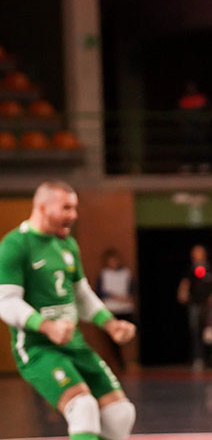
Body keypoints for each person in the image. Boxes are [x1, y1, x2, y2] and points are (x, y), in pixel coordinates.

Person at [0, 181, 137, 440]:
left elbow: (81, 294)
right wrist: (46, 326)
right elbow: (5, 301)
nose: (73, 215)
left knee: (120, 414)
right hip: (38, 348)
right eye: (66, 208)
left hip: (75, 345)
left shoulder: (67, 245)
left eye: (74, 208)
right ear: (42, 207)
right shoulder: (15, 245)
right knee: (83, 407)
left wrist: (111, 324)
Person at [176, 244, 212, 369]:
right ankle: (198, 359)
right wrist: (182, 293)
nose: (197, 255)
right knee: (195, 331)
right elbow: (184, 284)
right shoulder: (190, 270)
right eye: (195, 253)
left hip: (210, 305)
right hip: (195, 305)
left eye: (200, 252)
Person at [96, 249, 136, 372]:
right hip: (110, 310)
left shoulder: (126, 273)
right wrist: (115, 296)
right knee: (113, 341)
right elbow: (100, 292)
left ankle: (128, 362)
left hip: (125, 308)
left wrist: (128, 297)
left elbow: (132, 288)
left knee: (127, 336)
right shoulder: (104, 274)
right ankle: (119, 364)